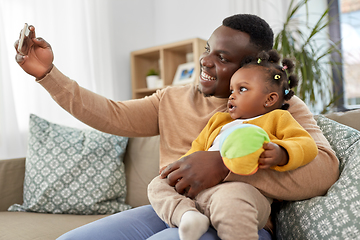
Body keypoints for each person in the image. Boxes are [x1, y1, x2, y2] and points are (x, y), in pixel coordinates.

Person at [14, 14, 339, 240]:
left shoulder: (279, 104)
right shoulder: (171, 98)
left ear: (252, 67)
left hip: (236, 219)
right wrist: (47, 74)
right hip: (177, 210)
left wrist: (224, 164)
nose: (206, 62)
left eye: (222, 58)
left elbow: (324, 168)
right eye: (208, 50)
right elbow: (110, 115)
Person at [147, 49, 318, 240]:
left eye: (242, 89)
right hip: (198, 194)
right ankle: (187, 216)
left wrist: (282, 153)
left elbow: (306, 144)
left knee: (232, 202)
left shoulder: (278, 118)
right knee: (157, 185)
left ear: (270, 99)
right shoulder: (219, 121)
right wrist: (180, 171)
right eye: (231, 90)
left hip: (241, 191)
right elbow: (196, 151)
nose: (232, 96)